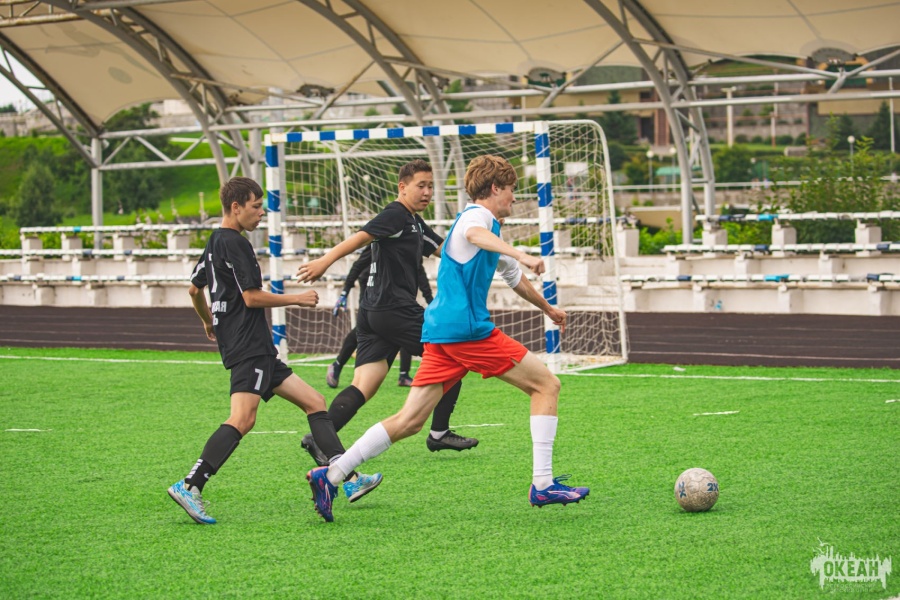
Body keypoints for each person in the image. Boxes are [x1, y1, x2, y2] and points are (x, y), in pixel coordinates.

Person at [305, 155, 589, 522]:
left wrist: (547, 308)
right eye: (511, 190)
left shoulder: (484, 226)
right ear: (494, 189)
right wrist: (521, 252)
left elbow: (513, 276)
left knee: (409, 421)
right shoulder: (475, 218)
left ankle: (330, 476)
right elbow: (475, 235)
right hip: (466, 331)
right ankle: (543, 484)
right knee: (547, 385)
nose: (515, 198)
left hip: (441, 332)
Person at [166, 177, 381, 525]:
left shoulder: (214, 242)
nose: (261, 213)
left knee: (315, 402)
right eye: (255, 206)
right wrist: (297, 298)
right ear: (235, 207)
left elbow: (194, 290)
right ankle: (191, 484)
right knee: (242, 419)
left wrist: (208, 321)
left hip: (253, 346)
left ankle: (349, 478)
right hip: (249, 345)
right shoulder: (236, 243)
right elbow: (251, 297)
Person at [297, 159, 477, 468]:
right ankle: (439, 432)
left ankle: (319, 439)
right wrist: (324, 261)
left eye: (431, 186)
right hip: (393, 308)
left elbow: (446, 249)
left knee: (365, 384)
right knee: (450, 354)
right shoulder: (395, 214)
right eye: (421, 186)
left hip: (373, 312)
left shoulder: (413, 221)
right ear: (402, 187)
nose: (427, 192)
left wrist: (484, 244)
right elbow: (361, 237)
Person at [327, 245, 434, 389]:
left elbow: (419, 271)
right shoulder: (382, 239)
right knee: (363, 328)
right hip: (372, 292)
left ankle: (403, 374)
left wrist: (430, 300)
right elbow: (358, 265)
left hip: (396, 296)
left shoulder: (413, 242)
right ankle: (338, 364)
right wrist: (345, 292)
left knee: (405, 326)